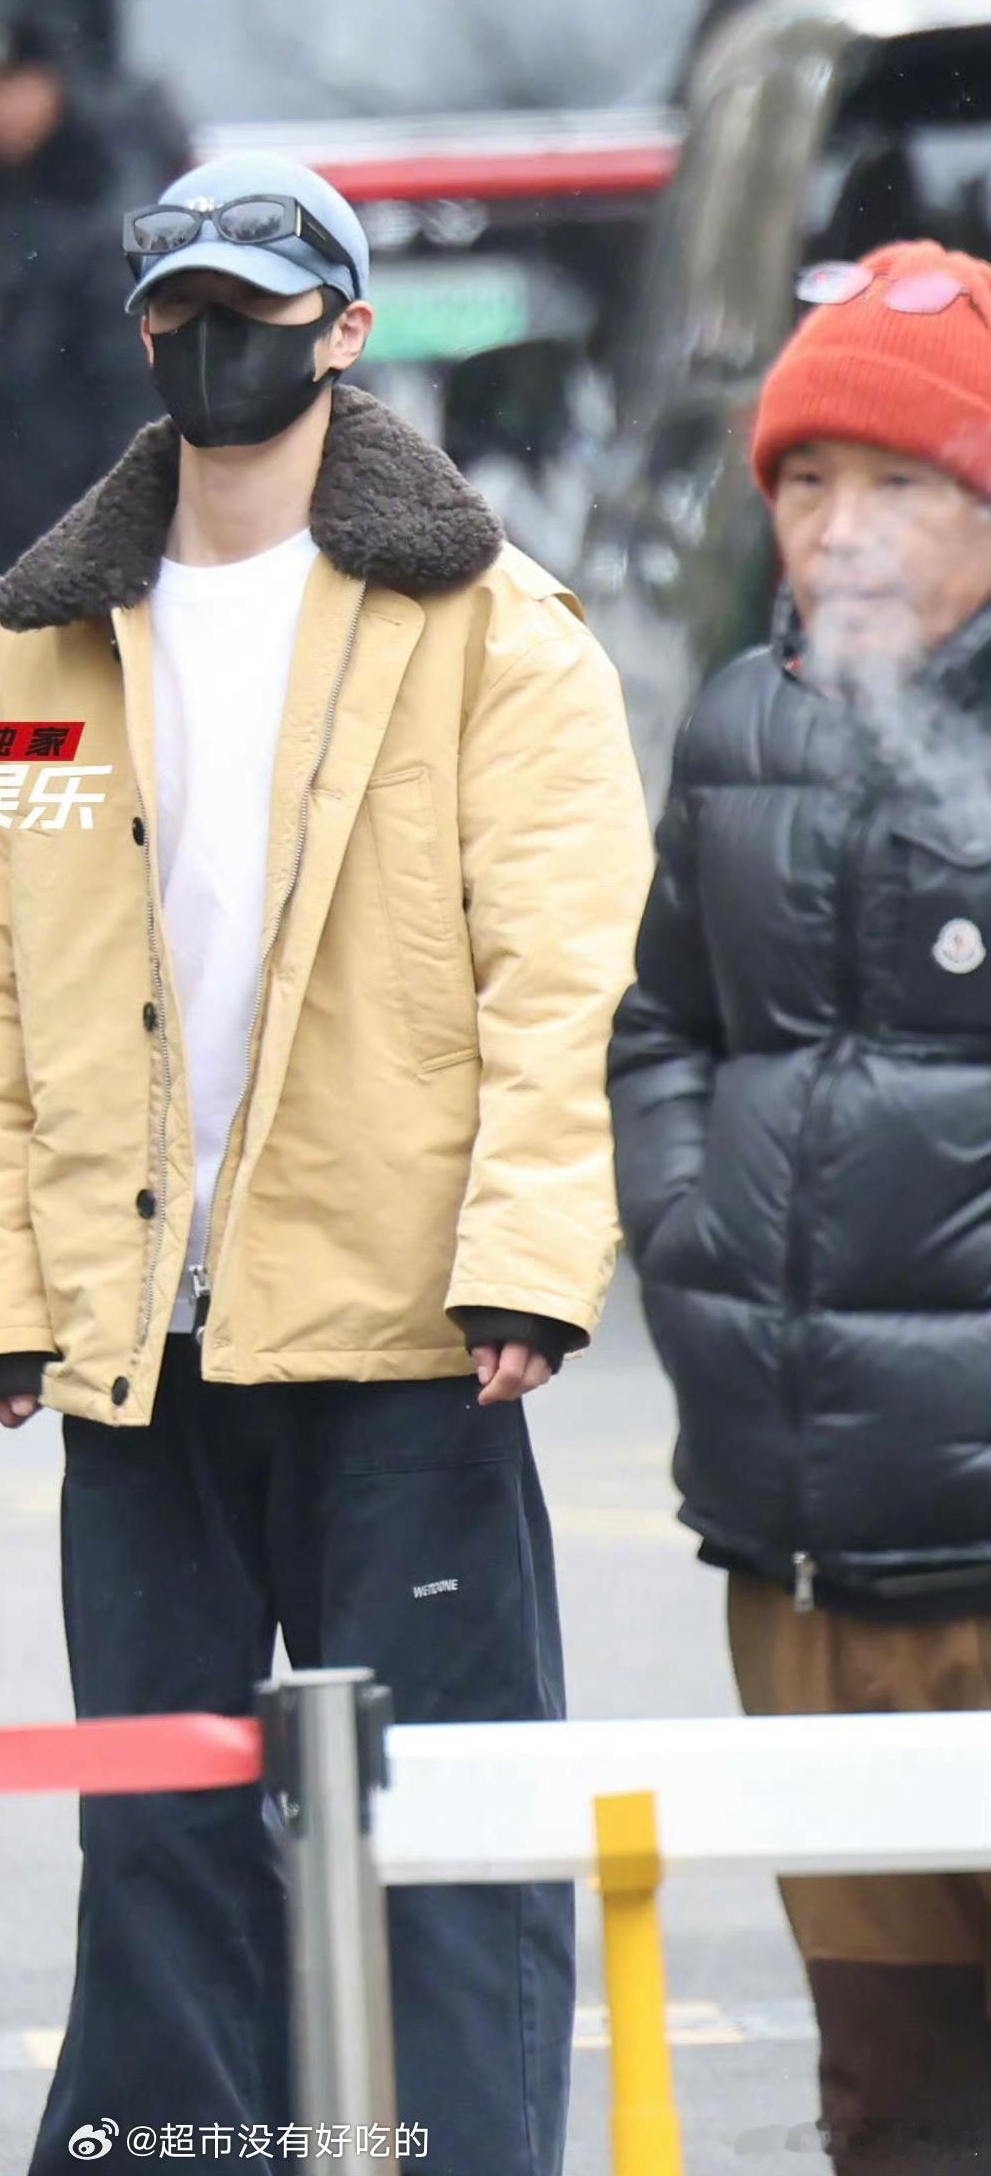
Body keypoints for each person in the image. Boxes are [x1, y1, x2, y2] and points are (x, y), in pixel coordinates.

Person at [0, 151, 652, 2175]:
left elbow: (564, 972)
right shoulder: (30, 659)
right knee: (159, 1839)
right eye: (180, 308)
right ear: (142, 328)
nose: (213, 341)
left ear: (347, 328)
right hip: (136, 1339)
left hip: (404, 1334)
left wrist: (527, 1258)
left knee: (444, 1836)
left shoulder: (492, 637)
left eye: (254, 305)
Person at [608, 240, 991, 2176]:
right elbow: (660, 1025)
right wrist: (690, 1233)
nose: (837, 529)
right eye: (803, 481)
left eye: (898, 483)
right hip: (800, 1556)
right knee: (890, 2105)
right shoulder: (734, 725)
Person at [0, 0, 161, 644]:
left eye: (22, 85)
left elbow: (130, 392)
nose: (5, 109)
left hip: (76, 523)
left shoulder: (102, 212)